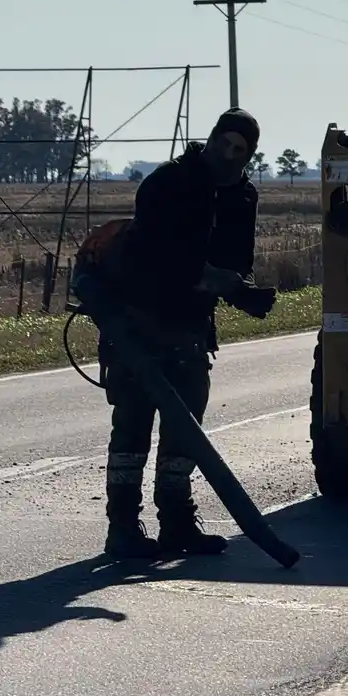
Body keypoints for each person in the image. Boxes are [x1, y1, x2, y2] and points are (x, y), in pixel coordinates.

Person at [99, 108, 266, 558]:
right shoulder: (166, 184)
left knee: (184, 434)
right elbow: (155, 258)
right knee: (132, 428)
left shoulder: (243, 197)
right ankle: (122, 529)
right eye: (225, 143)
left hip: (191, 327)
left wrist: (241, 291)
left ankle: (176, 523)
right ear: (210, 139)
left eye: (240, 150)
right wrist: (216, 279)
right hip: (138, 321)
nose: (229, 155)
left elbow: (237, 261)